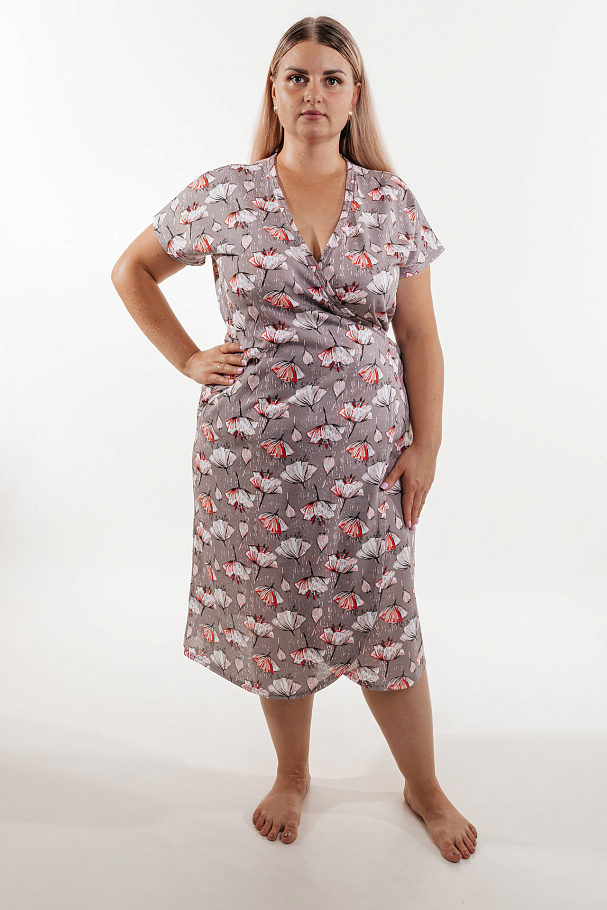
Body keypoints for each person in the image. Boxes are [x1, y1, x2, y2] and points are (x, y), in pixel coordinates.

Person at [111, 15, 477, 862]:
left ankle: (423, 787)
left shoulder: (389, 201)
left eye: (330, 78)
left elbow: (418, 335)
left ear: (354, 97)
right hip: (252, 459)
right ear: (274, 93)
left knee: (384, 622)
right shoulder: (222, 193)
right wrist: (187, 356)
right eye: (297, 77)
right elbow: (132, 269)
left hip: (368, 462)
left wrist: (427, 446)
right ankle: (292, 773)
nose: (314, 92)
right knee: (277, 619)